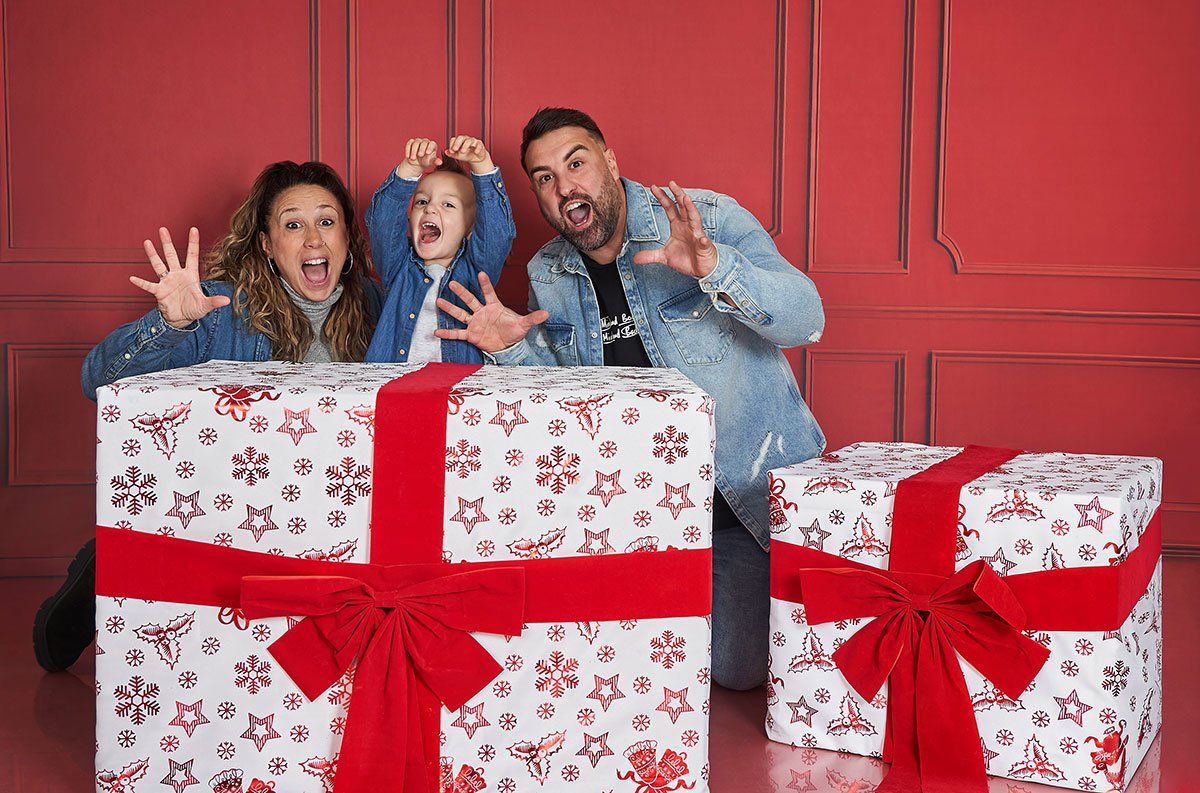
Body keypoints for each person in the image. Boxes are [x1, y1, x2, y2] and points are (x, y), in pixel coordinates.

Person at [436, 108, 826, 690]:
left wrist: (717, 269)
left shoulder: (704, 218)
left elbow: (806, 319)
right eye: (545, 178)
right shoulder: (549, 273)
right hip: (640, 515)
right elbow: (570, 406)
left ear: (610, 161)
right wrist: (512, 350)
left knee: (735, 669)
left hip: (741, 508)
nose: (565, 187)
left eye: (576, 164)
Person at [34, 160, 383, 672]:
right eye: (293, 224)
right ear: (266, 244)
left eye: (327, 221)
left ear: (347, 236)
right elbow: (98, 380)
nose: (314, 239)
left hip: (334, 501)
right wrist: (170, 324)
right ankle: (103, 564)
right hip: (234, 504)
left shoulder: (377, 304)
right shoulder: (222, 306)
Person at [364, 135, 515, 363]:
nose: (430, 208)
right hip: (396, 381)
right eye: (422, 201)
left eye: (448, 204)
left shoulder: (475, 271)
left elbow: (497, 232)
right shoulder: (398, 267)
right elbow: (383, 223)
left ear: (470, 229)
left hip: (456, 383)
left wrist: (482, 166)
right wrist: (409, 170)